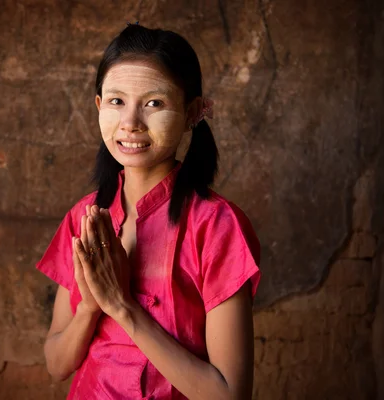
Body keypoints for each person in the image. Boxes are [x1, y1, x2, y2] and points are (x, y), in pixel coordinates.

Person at [36, 23, 261, 400]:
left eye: (154, 103)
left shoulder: (217, 225)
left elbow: (229, 395)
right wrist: (90, 307)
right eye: (116, 101)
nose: (130, 123)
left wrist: (123, 307)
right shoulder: (84, 217)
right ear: (98, 105)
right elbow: (57, 364)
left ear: (192, 112)